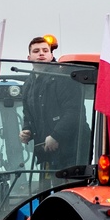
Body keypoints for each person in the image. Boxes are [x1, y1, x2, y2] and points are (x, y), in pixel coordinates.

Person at [19, 36, 85, 170]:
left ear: (51, 56)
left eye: (45, 50)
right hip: (46, 153)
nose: (41, 53)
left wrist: (56, 136)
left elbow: (75, 111)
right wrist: (27, 130)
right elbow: (28, 114)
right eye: (36, 51)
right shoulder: (27, 85)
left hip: (72, 153)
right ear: (29, 58)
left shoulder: (63, 78)